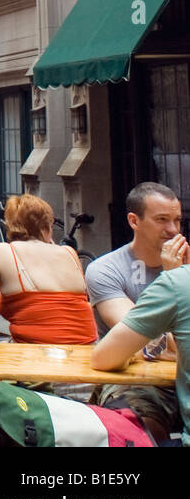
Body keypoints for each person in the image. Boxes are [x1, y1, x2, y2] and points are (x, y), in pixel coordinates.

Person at [86, 182, 187, 441]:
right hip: (137, 381)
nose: (173, 230)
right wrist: (173, 277)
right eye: (162, 220)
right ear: (134, 220)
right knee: (138, 428)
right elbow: (147, 338)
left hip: (183, 376)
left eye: (177, 220)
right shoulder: (105, 270)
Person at [0, 194, 96, 344]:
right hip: (86, 345)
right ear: (46, 226)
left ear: (10, 224)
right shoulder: (69, 253)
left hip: (34, 348)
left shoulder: (3, 252)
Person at [92, 262, 190, 440]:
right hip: (155, 388)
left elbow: (106, 356)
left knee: (128, 424)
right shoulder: (106, 269)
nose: (173, 232)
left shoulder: (179, 282)